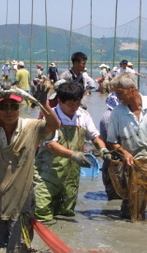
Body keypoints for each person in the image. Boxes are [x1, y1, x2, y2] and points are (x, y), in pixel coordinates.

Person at [0, 84, 60, 253]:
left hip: (22, 201)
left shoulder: (31, 127)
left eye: (14, 106)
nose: (9, 111)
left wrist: (43, 103)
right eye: (4, 106)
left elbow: (54, 124)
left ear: (20, 107)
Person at [34, 82, 110, 223]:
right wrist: (73, 154)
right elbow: (50, 144)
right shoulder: (50, 116)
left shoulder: (83, 115)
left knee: (66, 215)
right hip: (47, 174)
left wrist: (103, 149)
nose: (74, 107)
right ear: (60, 101)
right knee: (42, 213)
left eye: (77, 103)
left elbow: (94, 136)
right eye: (70, 104)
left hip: (71, 176)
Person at [106, 72, 147, 221]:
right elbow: (111, 142)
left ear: (132, 89)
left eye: (120, 93)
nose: (118, 97)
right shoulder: (117, 112)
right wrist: (124, 152)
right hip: (135, 167)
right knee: (136, 212)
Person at [99, 93, 121, 200]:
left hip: (119, 160)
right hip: (114, 161)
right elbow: (111, 141)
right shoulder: (109, 116)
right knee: (115, 194)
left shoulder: (119, 114)